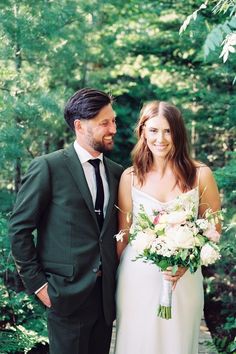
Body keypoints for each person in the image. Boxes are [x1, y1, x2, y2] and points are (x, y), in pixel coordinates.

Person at [9, 88, 124, 354]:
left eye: (114, 120)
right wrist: (39, 286)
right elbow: (19, 230)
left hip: (105, 298)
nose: (113, 129)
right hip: (65, 295)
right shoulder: (48, 167)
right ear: (79, 126)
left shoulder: (118, 173)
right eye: (104, 122)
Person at [114, 100, 221, 354]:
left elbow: (213, 230)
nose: (160, 138)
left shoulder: (200, 174)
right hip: (137, 278)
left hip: (183, 277)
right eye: (153, 130)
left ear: (178, 133)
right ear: (143, 132)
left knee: (178, 343)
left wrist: (185, 262)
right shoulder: (130, 177)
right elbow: (123, 237)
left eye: (168, 131)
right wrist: (122, 278)